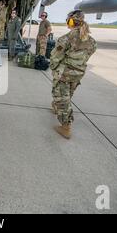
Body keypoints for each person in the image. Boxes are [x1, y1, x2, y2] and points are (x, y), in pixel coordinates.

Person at [50, 10, 97, 140]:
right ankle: (55, 107)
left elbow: (55, 57)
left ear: (71, 21)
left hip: (65, 73)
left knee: (62, 98)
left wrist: (54, 69)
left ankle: (66, 127)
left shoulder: (66, 38)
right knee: (68, 94)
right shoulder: (91, 40)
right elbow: (89, 54)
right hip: (78, 73)